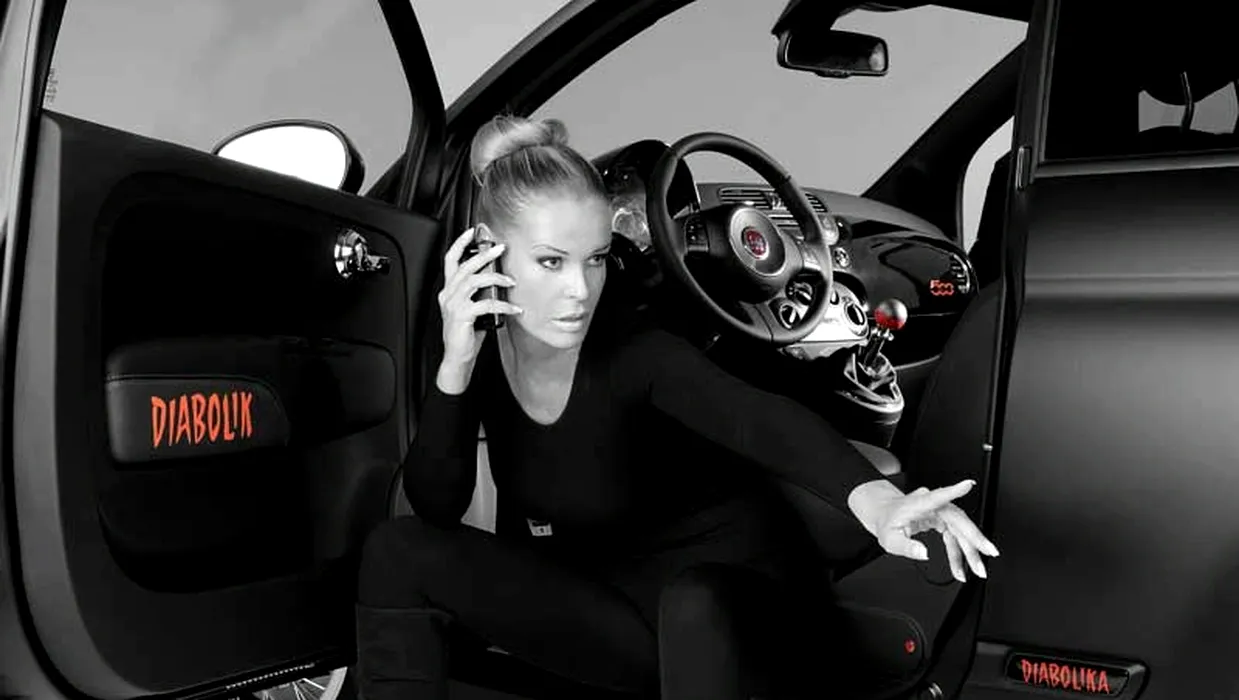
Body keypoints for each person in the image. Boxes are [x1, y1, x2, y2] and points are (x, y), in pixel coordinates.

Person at [353, 115, 999, 700]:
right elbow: (435, 505)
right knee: (397, 552)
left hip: (743, 610)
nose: (579, 291)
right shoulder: (478, 347)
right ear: (486, 251)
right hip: (619, 614)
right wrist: (455, 365)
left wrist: (877, 503)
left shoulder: (636, 350)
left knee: (694, 605)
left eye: (595, 260)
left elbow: (757, 419)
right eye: (550, 262)